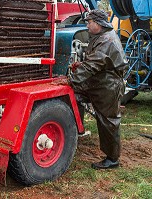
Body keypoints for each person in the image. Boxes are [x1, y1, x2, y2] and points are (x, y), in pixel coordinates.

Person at [53, 9, 129, 169]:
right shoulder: (100, 37)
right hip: (98, 81)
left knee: (108, 120)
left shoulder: (107, 40)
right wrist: (80, 65)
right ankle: (77, 130)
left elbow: (94, 64)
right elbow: (97, 62)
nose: (87, 25)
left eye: (89, 22)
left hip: (108, 85)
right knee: (75, 95)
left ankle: (112, 159)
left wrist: (70, 79)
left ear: (99, 23)